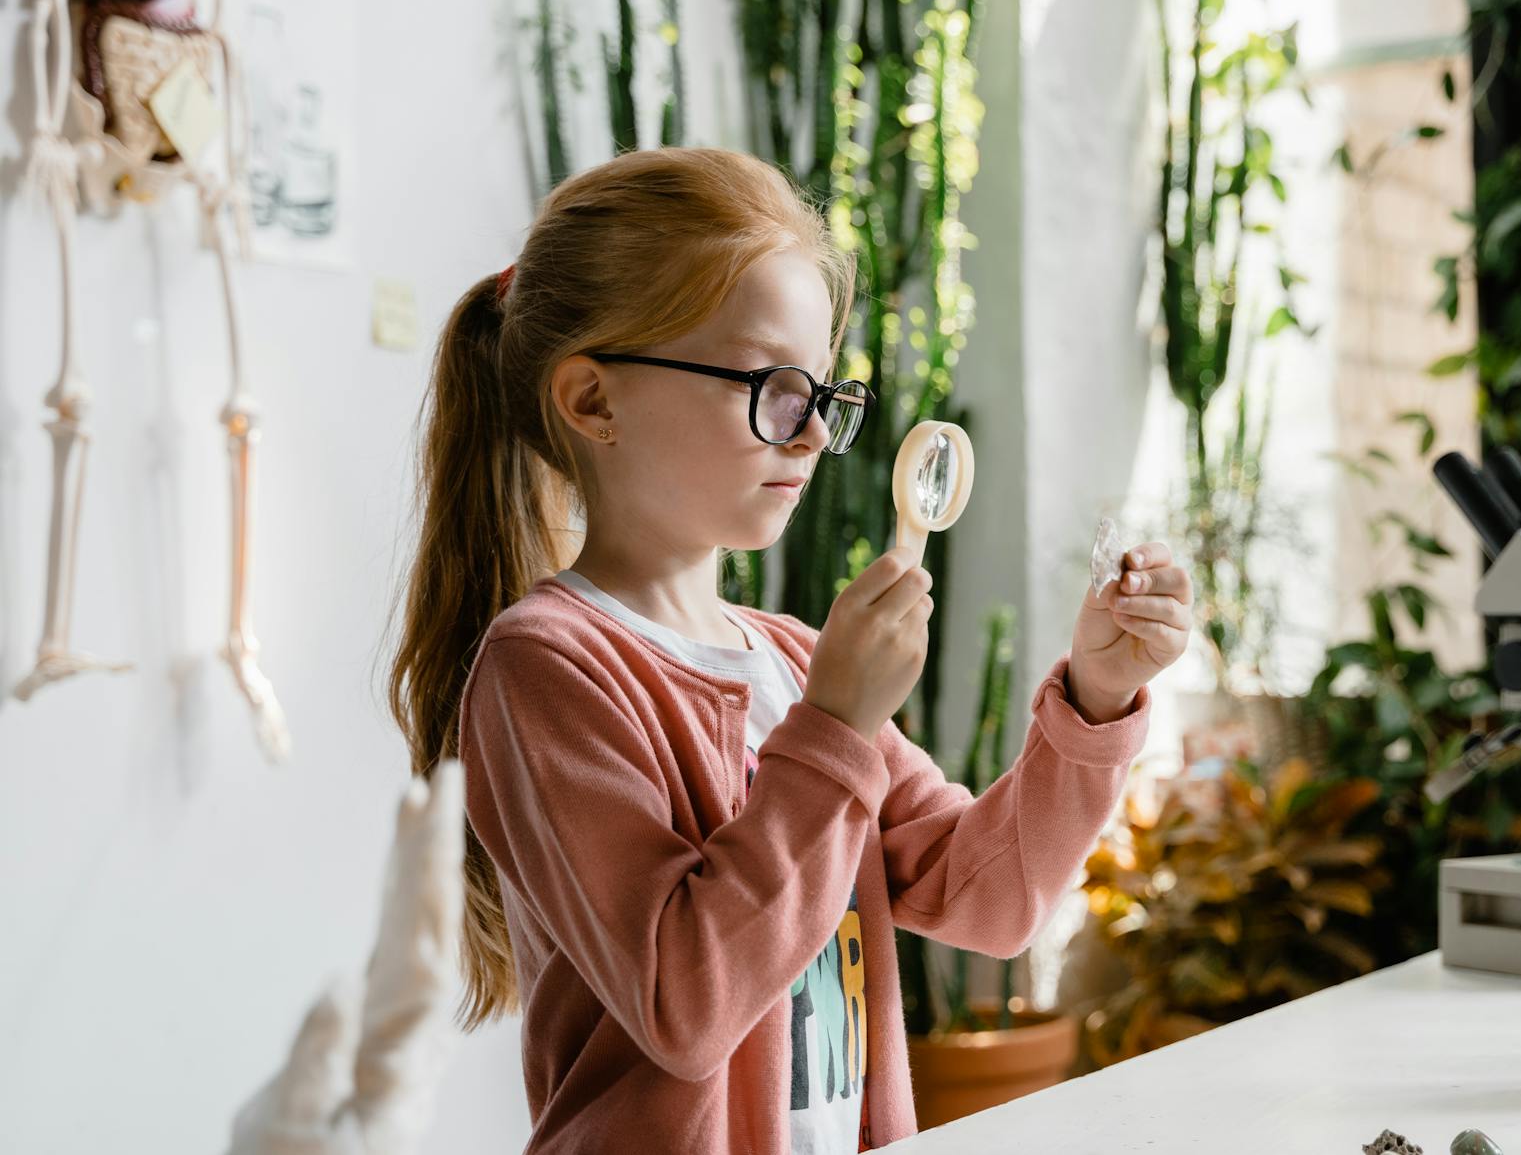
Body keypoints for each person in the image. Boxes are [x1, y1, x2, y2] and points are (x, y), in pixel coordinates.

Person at [385, 146, 1193, 1153]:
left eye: (820, 395)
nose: (809, 435)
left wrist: (1095, 698)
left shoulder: (789, 659)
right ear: (593, 401)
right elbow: (685, 1000)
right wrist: (838, 726)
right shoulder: (547, 664)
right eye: (769, 386)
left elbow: (992, 899)